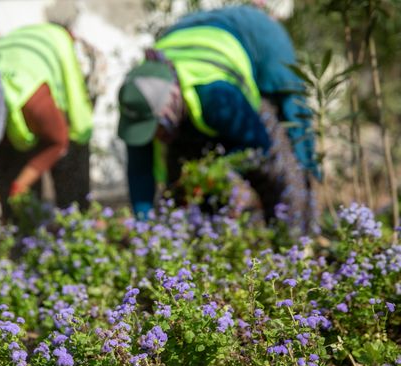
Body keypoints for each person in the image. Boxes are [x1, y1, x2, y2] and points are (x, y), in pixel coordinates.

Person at [117, 6, 318, 235]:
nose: (154, 137)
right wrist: (146, 231)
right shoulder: (137, 101)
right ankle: (209, 246)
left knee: (287, 152)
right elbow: (140, 172)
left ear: (172, 103)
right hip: (186, 36)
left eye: (157, 128)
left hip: (258, 37)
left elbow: (259, 142)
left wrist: (216, 172)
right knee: (186, 176)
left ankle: (299, 238)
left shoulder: (216, 96)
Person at [0, 23, 94, 225]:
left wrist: (21, 183)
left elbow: (58, 141)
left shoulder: (33, 99)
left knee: (70, 177)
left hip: (53, 49)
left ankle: (76, 229)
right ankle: (24, 240)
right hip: (11, 64)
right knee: (15, 211)